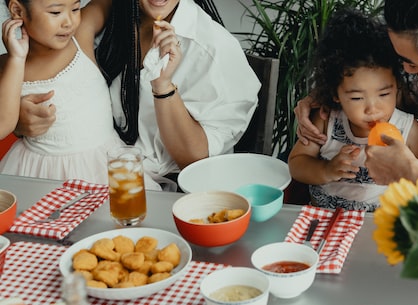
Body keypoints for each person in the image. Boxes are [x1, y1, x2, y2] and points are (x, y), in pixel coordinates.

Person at [14, 0, 261, 189]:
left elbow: (194, 159)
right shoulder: (106, 17)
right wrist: (20, 115)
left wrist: (163, 86)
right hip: (95, 171)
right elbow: (64, 78)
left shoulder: (212, 50)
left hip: (172, 190)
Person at [294, 0, 418, 192]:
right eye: (402, 61)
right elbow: (389, 96)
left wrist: (410, 171)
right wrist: (325, 94)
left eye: (414, 64)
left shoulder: (414, 131)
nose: (406, 71)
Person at [0, 0, 148, 188]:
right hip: (38, 172)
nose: (69, 22)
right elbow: (3, 126)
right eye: (55, 12)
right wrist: (17, 58)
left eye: (75, 9)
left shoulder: (80, 36)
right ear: (17, 10)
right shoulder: (7, 66)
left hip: (103, 165)